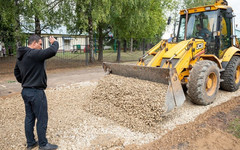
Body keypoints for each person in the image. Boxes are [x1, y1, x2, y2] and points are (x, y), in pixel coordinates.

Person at [14, 35, 59, 150]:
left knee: (29, 117)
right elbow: (52, 51)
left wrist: (26, 81)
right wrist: (54, 42)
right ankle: (43, 144)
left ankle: (30, 143)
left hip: (26, 91)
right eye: (40, 44)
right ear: (33, 43)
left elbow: (17, 73)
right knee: (42, 118)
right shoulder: (33, 53)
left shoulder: (21, 56)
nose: (41, 47)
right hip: (36, 92)